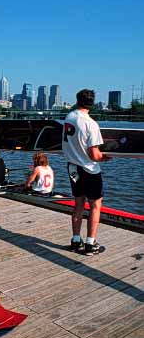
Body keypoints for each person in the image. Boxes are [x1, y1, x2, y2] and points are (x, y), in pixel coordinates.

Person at [62, 89, 112, 256]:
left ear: (78, 100)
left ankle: (76, 240)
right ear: (92, 103)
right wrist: (106, 157)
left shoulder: (69, 118)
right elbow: (94, 155)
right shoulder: (91, 124)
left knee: (78, 205)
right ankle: (91, 244)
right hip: (89, 170)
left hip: (72, 168)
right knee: (95, 206)